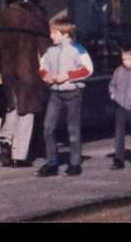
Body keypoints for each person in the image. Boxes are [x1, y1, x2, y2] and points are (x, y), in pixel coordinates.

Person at [0, 0, 50, 168]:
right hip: (28, 70)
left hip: (8, 69)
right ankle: (19, 155)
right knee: (27, 110)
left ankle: (5, 141)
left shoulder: (6, 13)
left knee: (13, 107)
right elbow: (44, 46)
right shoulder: (38, 14)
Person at [36, 15, 94, 177]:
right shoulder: (50, 50)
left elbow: (88, 69)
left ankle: (75, 164)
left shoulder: (78, 49)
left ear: (65, 34)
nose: (50, 36)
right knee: (48, 127)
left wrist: (68, 76)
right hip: (55, 93)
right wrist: (46, 76)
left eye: (54, 33)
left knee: (73, 130)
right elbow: (42, 66)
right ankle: (52, 163)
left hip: (72, 94)